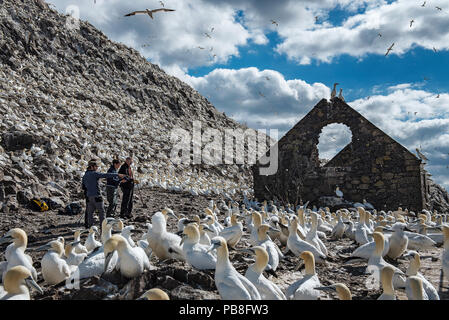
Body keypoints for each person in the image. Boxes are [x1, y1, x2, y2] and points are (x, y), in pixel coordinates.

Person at [82, 159, 126, 229]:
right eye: (96, 166)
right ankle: (104, 228)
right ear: (92, 167)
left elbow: (83, 187)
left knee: (90, 214)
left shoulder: (85, 175)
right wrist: (117, 175)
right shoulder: (94, 174)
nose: (97, 168)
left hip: (89, 197)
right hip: (97, 196)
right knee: (102, 213)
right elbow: (105, 175)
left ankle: (90, 229)